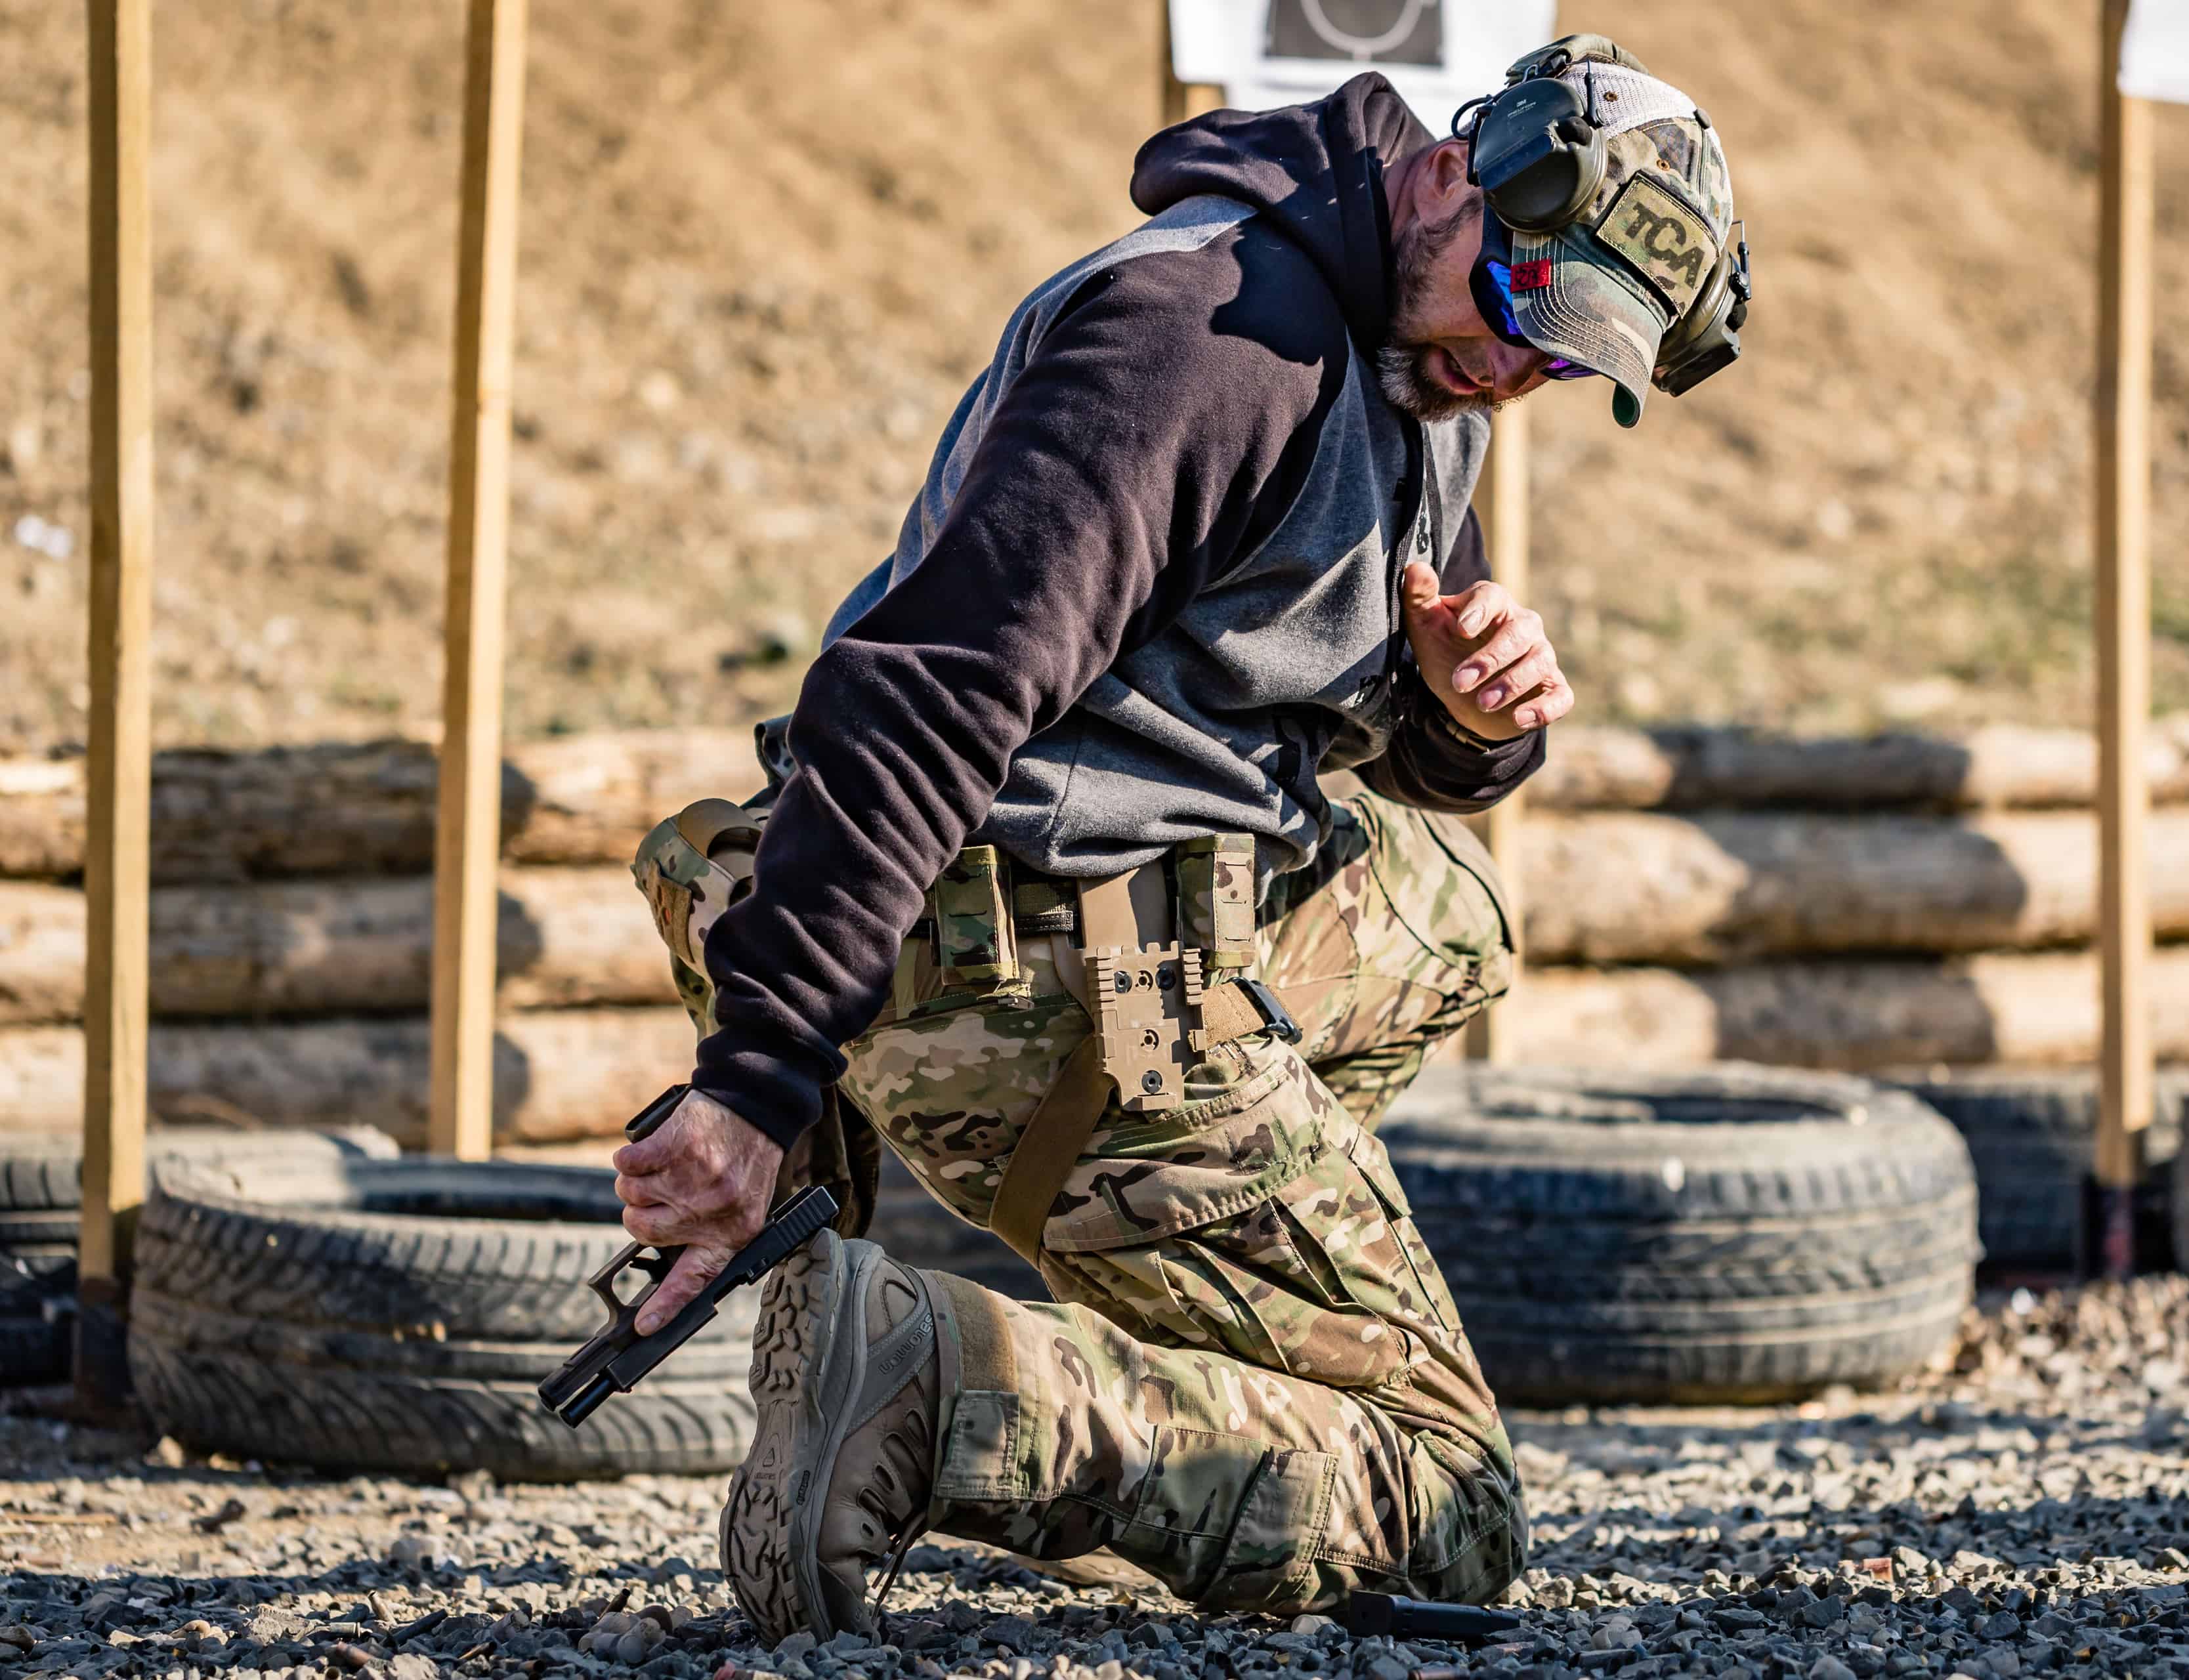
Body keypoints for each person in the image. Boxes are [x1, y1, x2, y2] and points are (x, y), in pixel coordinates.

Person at [611, 34, 1745, 1641]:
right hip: (1065, 973)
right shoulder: (1208, 342)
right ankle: (950, 1378)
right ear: (1452, 170)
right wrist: (756, 1080)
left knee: (1448, 912)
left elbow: (1357, 710)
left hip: (1111, 917)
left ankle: (1171, 1310)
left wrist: (1471, 717)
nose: (1513, 372)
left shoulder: (1416, 359)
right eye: (1518, 309)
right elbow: (927, 693)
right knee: (1451, 1509)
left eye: (1561, 365)